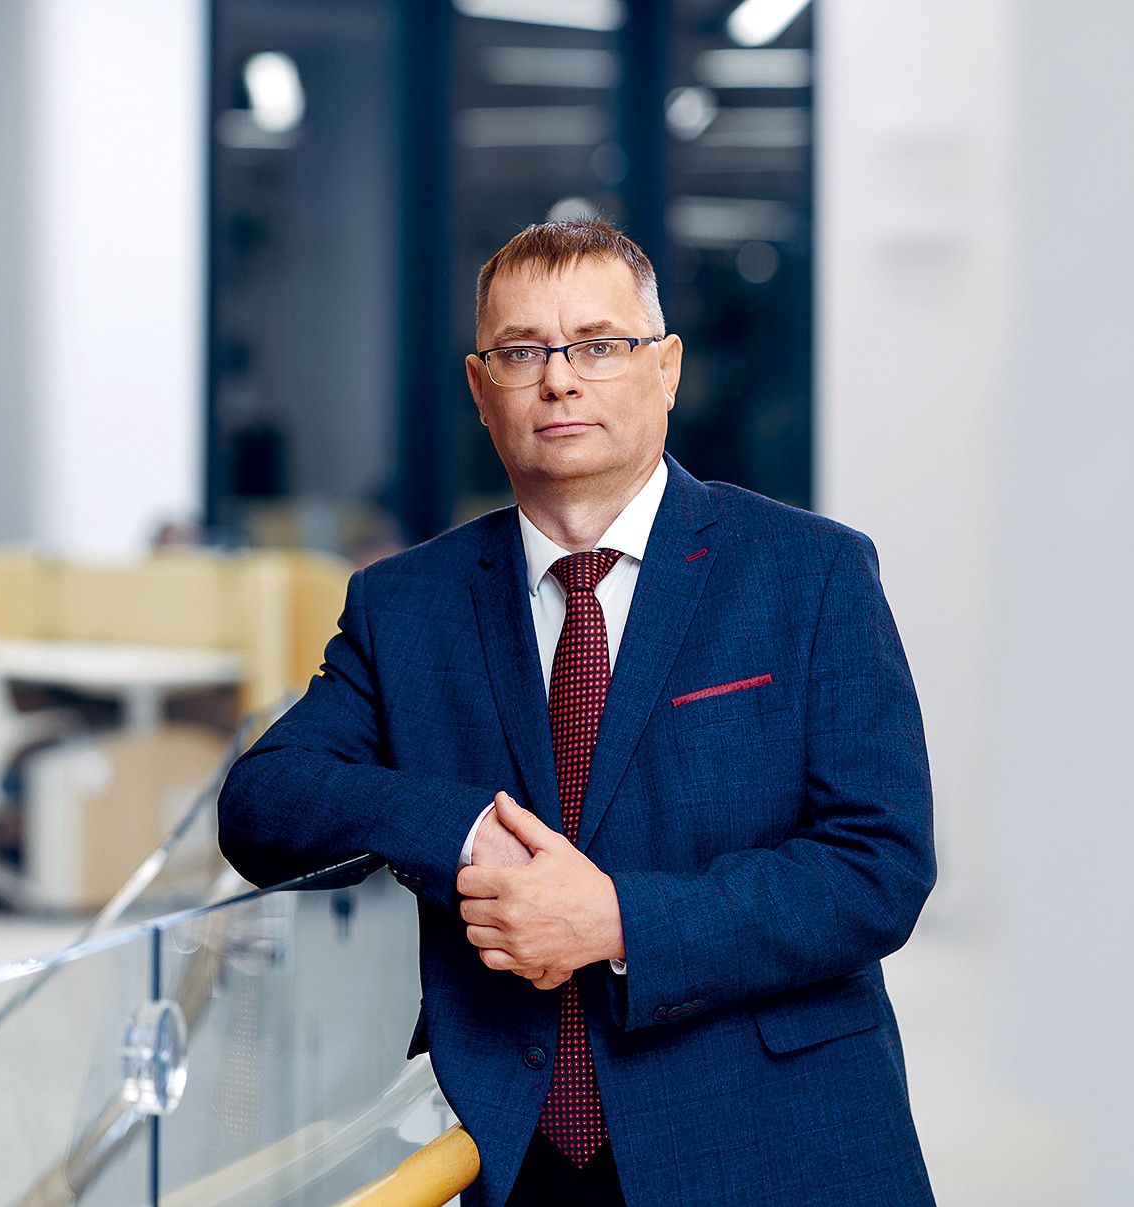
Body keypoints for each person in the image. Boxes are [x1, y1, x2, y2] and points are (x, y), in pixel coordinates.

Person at [217, 219, 936, 1206]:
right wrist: (463, 831)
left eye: (598, 345)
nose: (558, 380)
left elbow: (877, 866)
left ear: (666, 368)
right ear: (481, 389)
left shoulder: (809, 571)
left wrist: (618, 920)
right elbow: (263, 800)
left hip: (771, 1136)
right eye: (522, 353)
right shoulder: (406, 604)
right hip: (519, 1154)